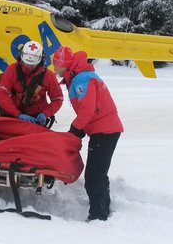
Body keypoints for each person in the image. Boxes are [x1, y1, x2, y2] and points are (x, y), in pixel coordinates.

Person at [52, 46, 123, 222]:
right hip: (104, 129)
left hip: (104, 131)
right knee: (99, 172)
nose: (54, 67)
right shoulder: (79, 76)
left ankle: (98, 216)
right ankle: (104, 207)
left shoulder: (82, 79)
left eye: (55, 63)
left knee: (93, 176)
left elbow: (88, 109)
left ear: (63, 64)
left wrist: (76, 129)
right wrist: (81, 128)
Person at [0, 41, 63, 127]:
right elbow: (2, 94)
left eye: (32, 64)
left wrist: (45, 113)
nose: (29, 66)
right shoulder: (12, 70)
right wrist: (17, 114)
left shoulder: (48, 76)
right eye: (26, 63)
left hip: (37, 118)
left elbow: (58, 99)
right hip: (15, 115)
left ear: (40, 61)